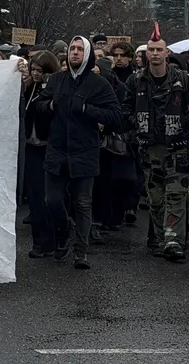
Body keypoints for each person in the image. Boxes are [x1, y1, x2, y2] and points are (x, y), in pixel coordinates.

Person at [33, 36, 125, 270]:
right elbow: (38, 106)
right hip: (56, 150)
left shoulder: (98, 84)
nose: (74, 53)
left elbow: (115, 116)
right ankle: (64, 233)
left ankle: (80, 251)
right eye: (72, 49)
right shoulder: (56, 80)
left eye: (79, 49)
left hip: (84, 151)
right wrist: (51, 106)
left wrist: (87, 109)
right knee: (52, 200)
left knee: (83, 203)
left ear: (88, 54)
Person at [125, 28, 189, 262]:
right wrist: (138, 126)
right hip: (149, 148)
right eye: (151, 50)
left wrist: (183, 128)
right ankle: (162, 239)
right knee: (156, 198)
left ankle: (173, 241)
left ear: (167, 52)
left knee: (176, 195)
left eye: (158, 50)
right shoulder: (136, 80)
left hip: (177, 148)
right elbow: (126, 108)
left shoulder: (182, 79)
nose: (154, 54)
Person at [24, 51, 61, 258]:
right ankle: (39, 241)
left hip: (50, 146)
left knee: (50, 198)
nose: (36, 74)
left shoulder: (54, 89)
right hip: (32, 146)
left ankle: (53, 239)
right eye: (33, 70)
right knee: (36, 197)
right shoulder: (28, 88)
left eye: (40, 70)